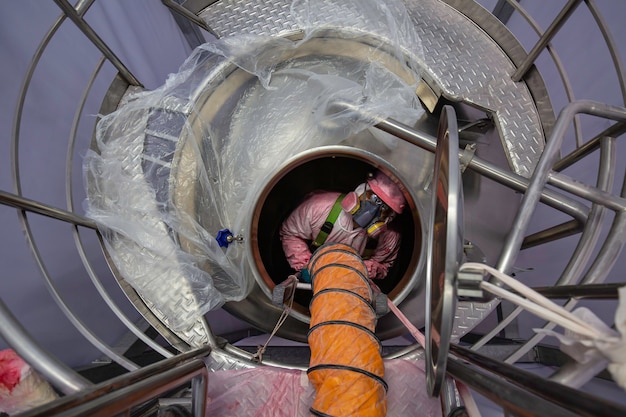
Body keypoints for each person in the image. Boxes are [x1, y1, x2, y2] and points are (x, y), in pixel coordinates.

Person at [279, 170, 406, 280]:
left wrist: (372, 269)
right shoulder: (318, 206)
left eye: (385, 208)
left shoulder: (389, 236)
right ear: (361, 190)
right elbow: (290, 234)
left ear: (391, 216)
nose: (373, 210)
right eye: (372, 197)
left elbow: (384, 264)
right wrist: (306, 265)